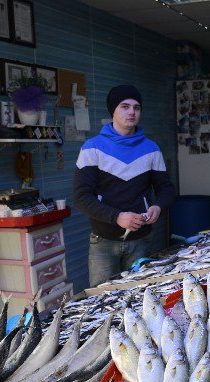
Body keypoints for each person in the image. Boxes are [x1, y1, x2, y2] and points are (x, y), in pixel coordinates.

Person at [73, 85, 175, 287]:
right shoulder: (92, 148)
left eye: (136, 108)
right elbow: (81, 197)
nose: (132, 112)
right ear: (113, 110)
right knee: (102, 302)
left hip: (141, 241)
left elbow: (167, 189)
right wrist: (118, 217)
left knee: (140, 300)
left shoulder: (151, 149)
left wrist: (158, 207)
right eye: (125, 106)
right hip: (103, 242)